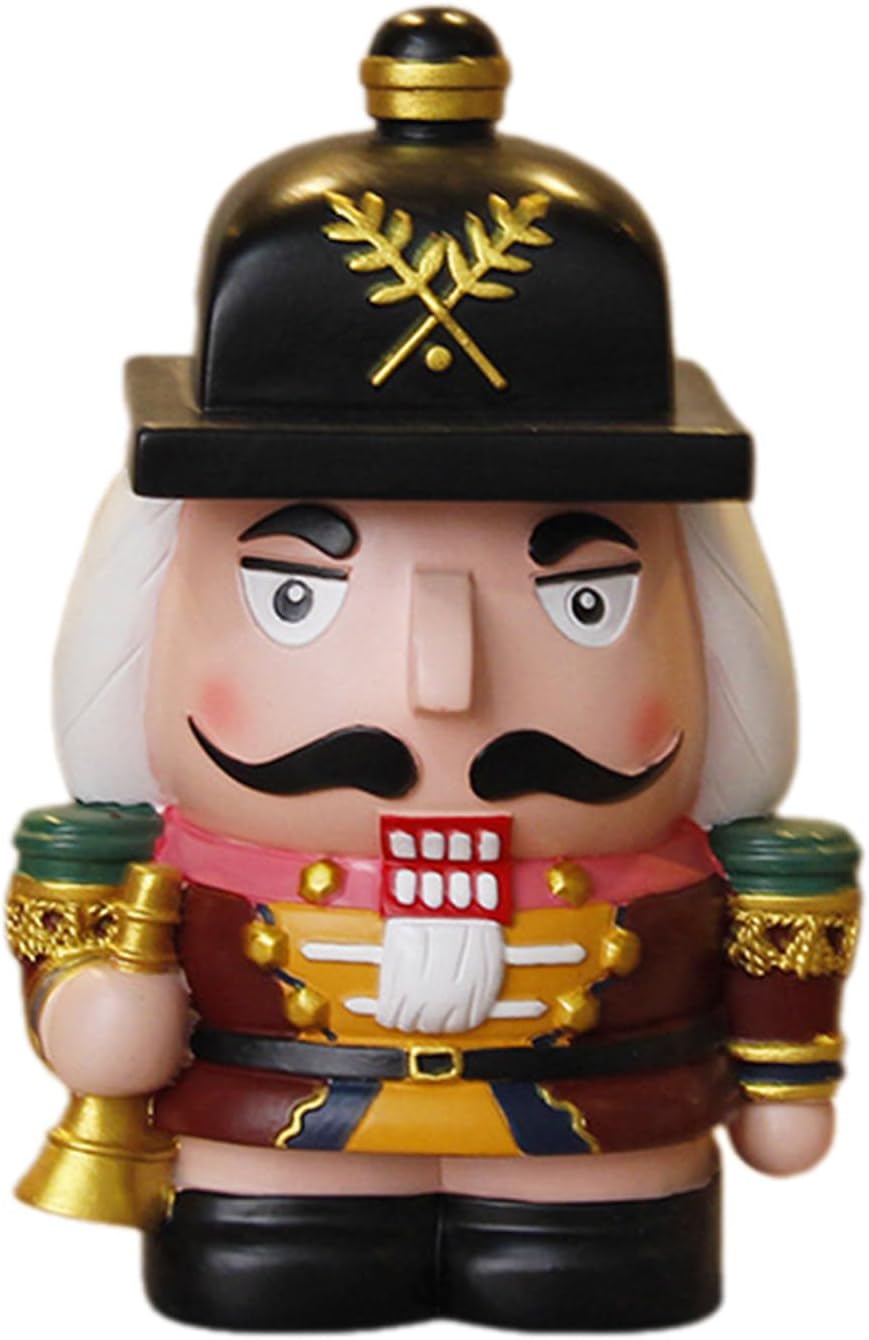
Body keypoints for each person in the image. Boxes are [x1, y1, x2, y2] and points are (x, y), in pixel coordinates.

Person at [7, 8, 859, 1331]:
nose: (440, 687)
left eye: (583, 601)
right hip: (275, 1133)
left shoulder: (694, 867)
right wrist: (104, 1015)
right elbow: (85, 1014)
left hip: (600, 1136)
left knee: (595, 1274)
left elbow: (774, 972)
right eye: (296, 597)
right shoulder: (160, 869)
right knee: (278, 1272)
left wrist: (785, 1075)